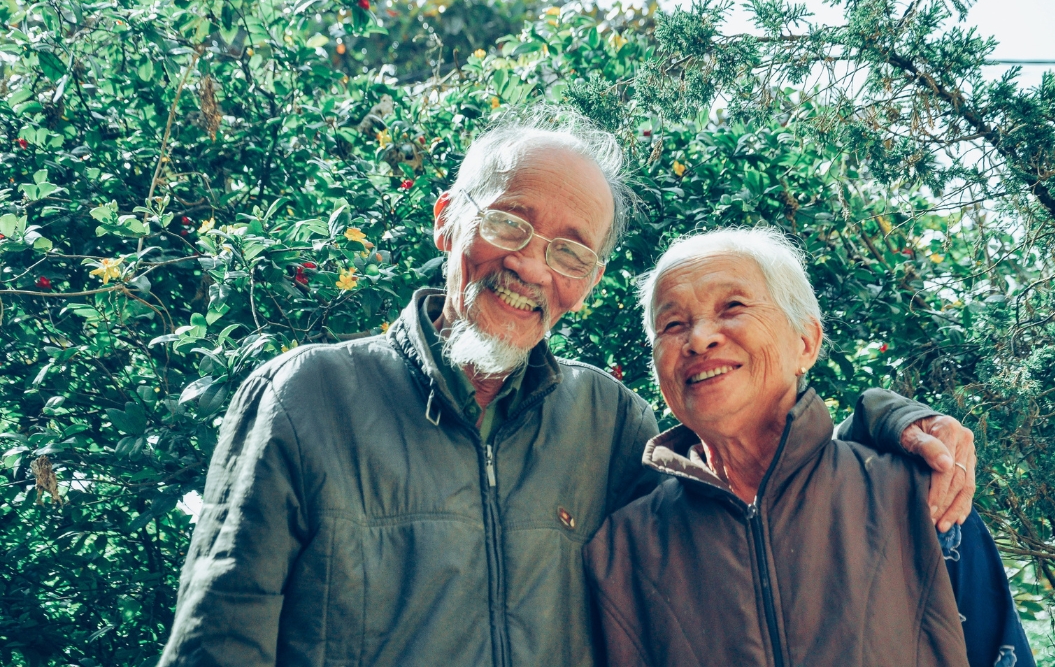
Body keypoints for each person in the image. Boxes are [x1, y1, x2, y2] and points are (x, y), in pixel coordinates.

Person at [158, 108, 978, 666]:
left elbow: (755, 479)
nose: (528, 264)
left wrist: (888, 422)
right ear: (449, 218)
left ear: (587, 279)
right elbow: (218, 641)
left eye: (571, 250)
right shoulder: (308, 396)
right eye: (509, 221)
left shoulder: (609, 423)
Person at [584, 227, 1034, 667]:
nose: (699, 338)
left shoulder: (916, 492)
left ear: (806, 343)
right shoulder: (623, 548)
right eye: (673, 324)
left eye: (733, 306)